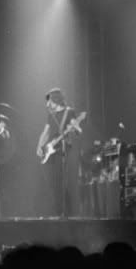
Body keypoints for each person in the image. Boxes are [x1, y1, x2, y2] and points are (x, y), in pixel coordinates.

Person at [36, 87, 80, 218]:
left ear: (55, 100)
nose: (47, 104)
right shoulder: (51, 115)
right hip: (51, 151)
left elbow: (77, 130)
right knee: (53, 182)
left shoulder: (69, 112)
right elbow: (46, 132)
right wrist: (39, 145)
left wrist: (75, 128)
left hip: (64, 150)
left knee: (63, 181)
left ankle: (67, 213)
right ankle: (57, 212)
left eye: (49, 101)